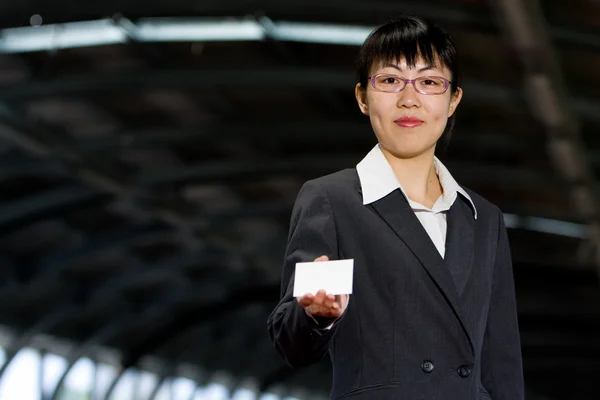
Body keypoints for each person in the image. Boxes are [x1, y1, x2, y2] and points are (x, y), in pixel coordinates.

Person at [267, 15, 524, 400]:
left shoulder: (483, 217)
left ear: (453, 100)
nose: (409, 99)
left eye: (429, 82)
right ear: (362, 98)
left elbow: (502, 361)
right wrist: (315, 315)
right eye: (389, 80)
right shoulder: (332, 200)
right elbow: (290, 341)